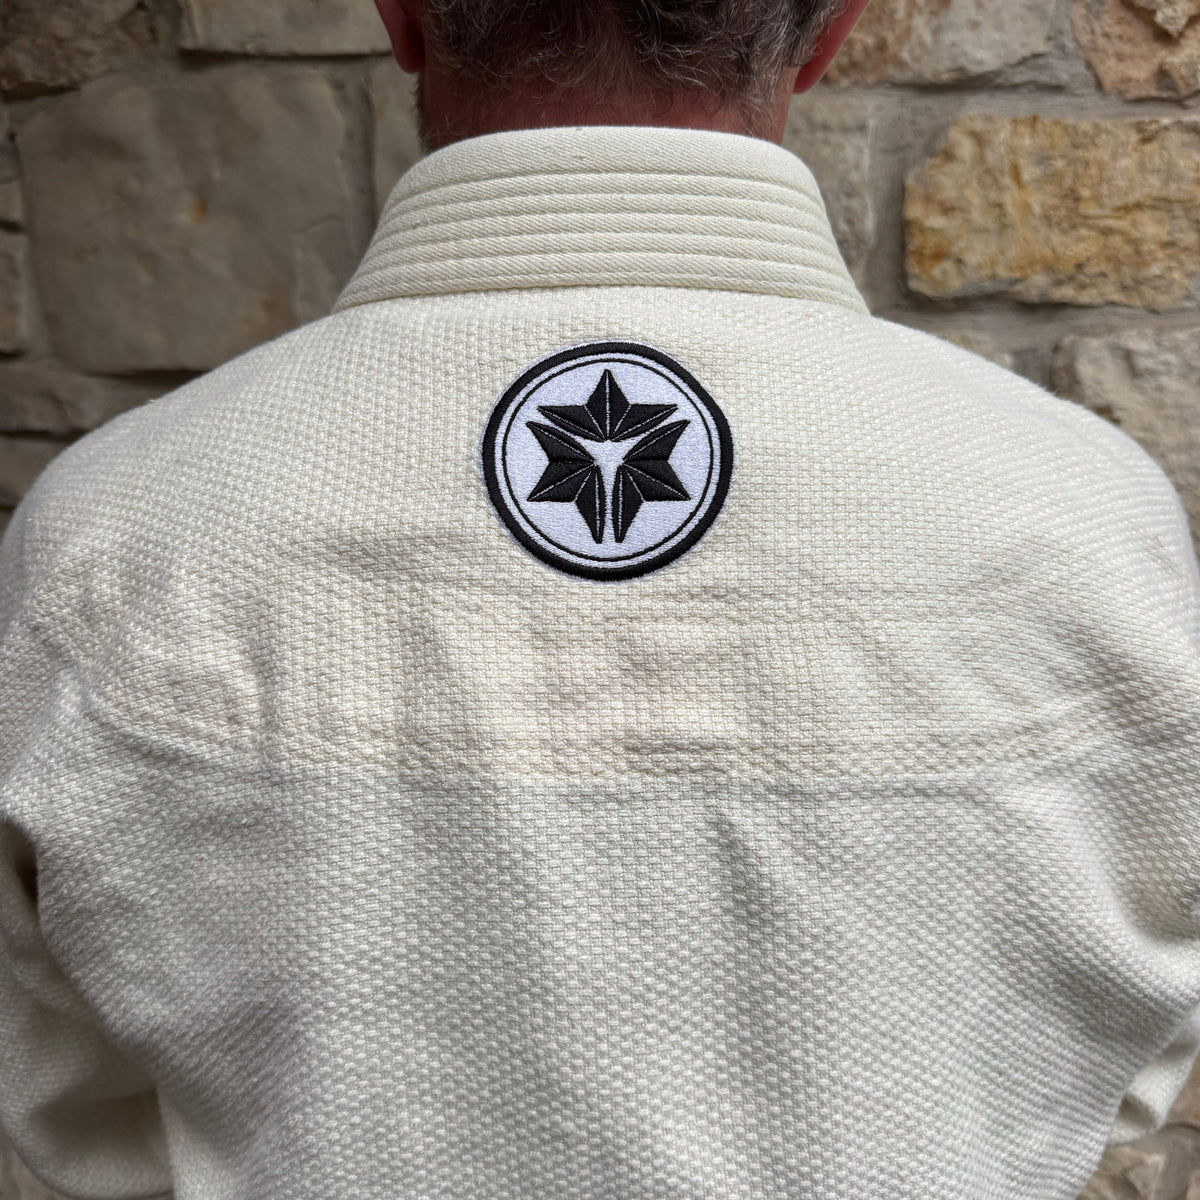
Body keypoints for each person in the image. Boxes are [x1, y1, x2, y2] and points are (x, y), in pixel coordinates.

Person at [2, 0, 1199, 1196]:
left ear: (402, 16)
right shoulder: (1088, 527)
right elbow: (1130, 1052)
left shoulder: (112, 538)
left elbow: (63, 1111)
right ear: (830, 30)